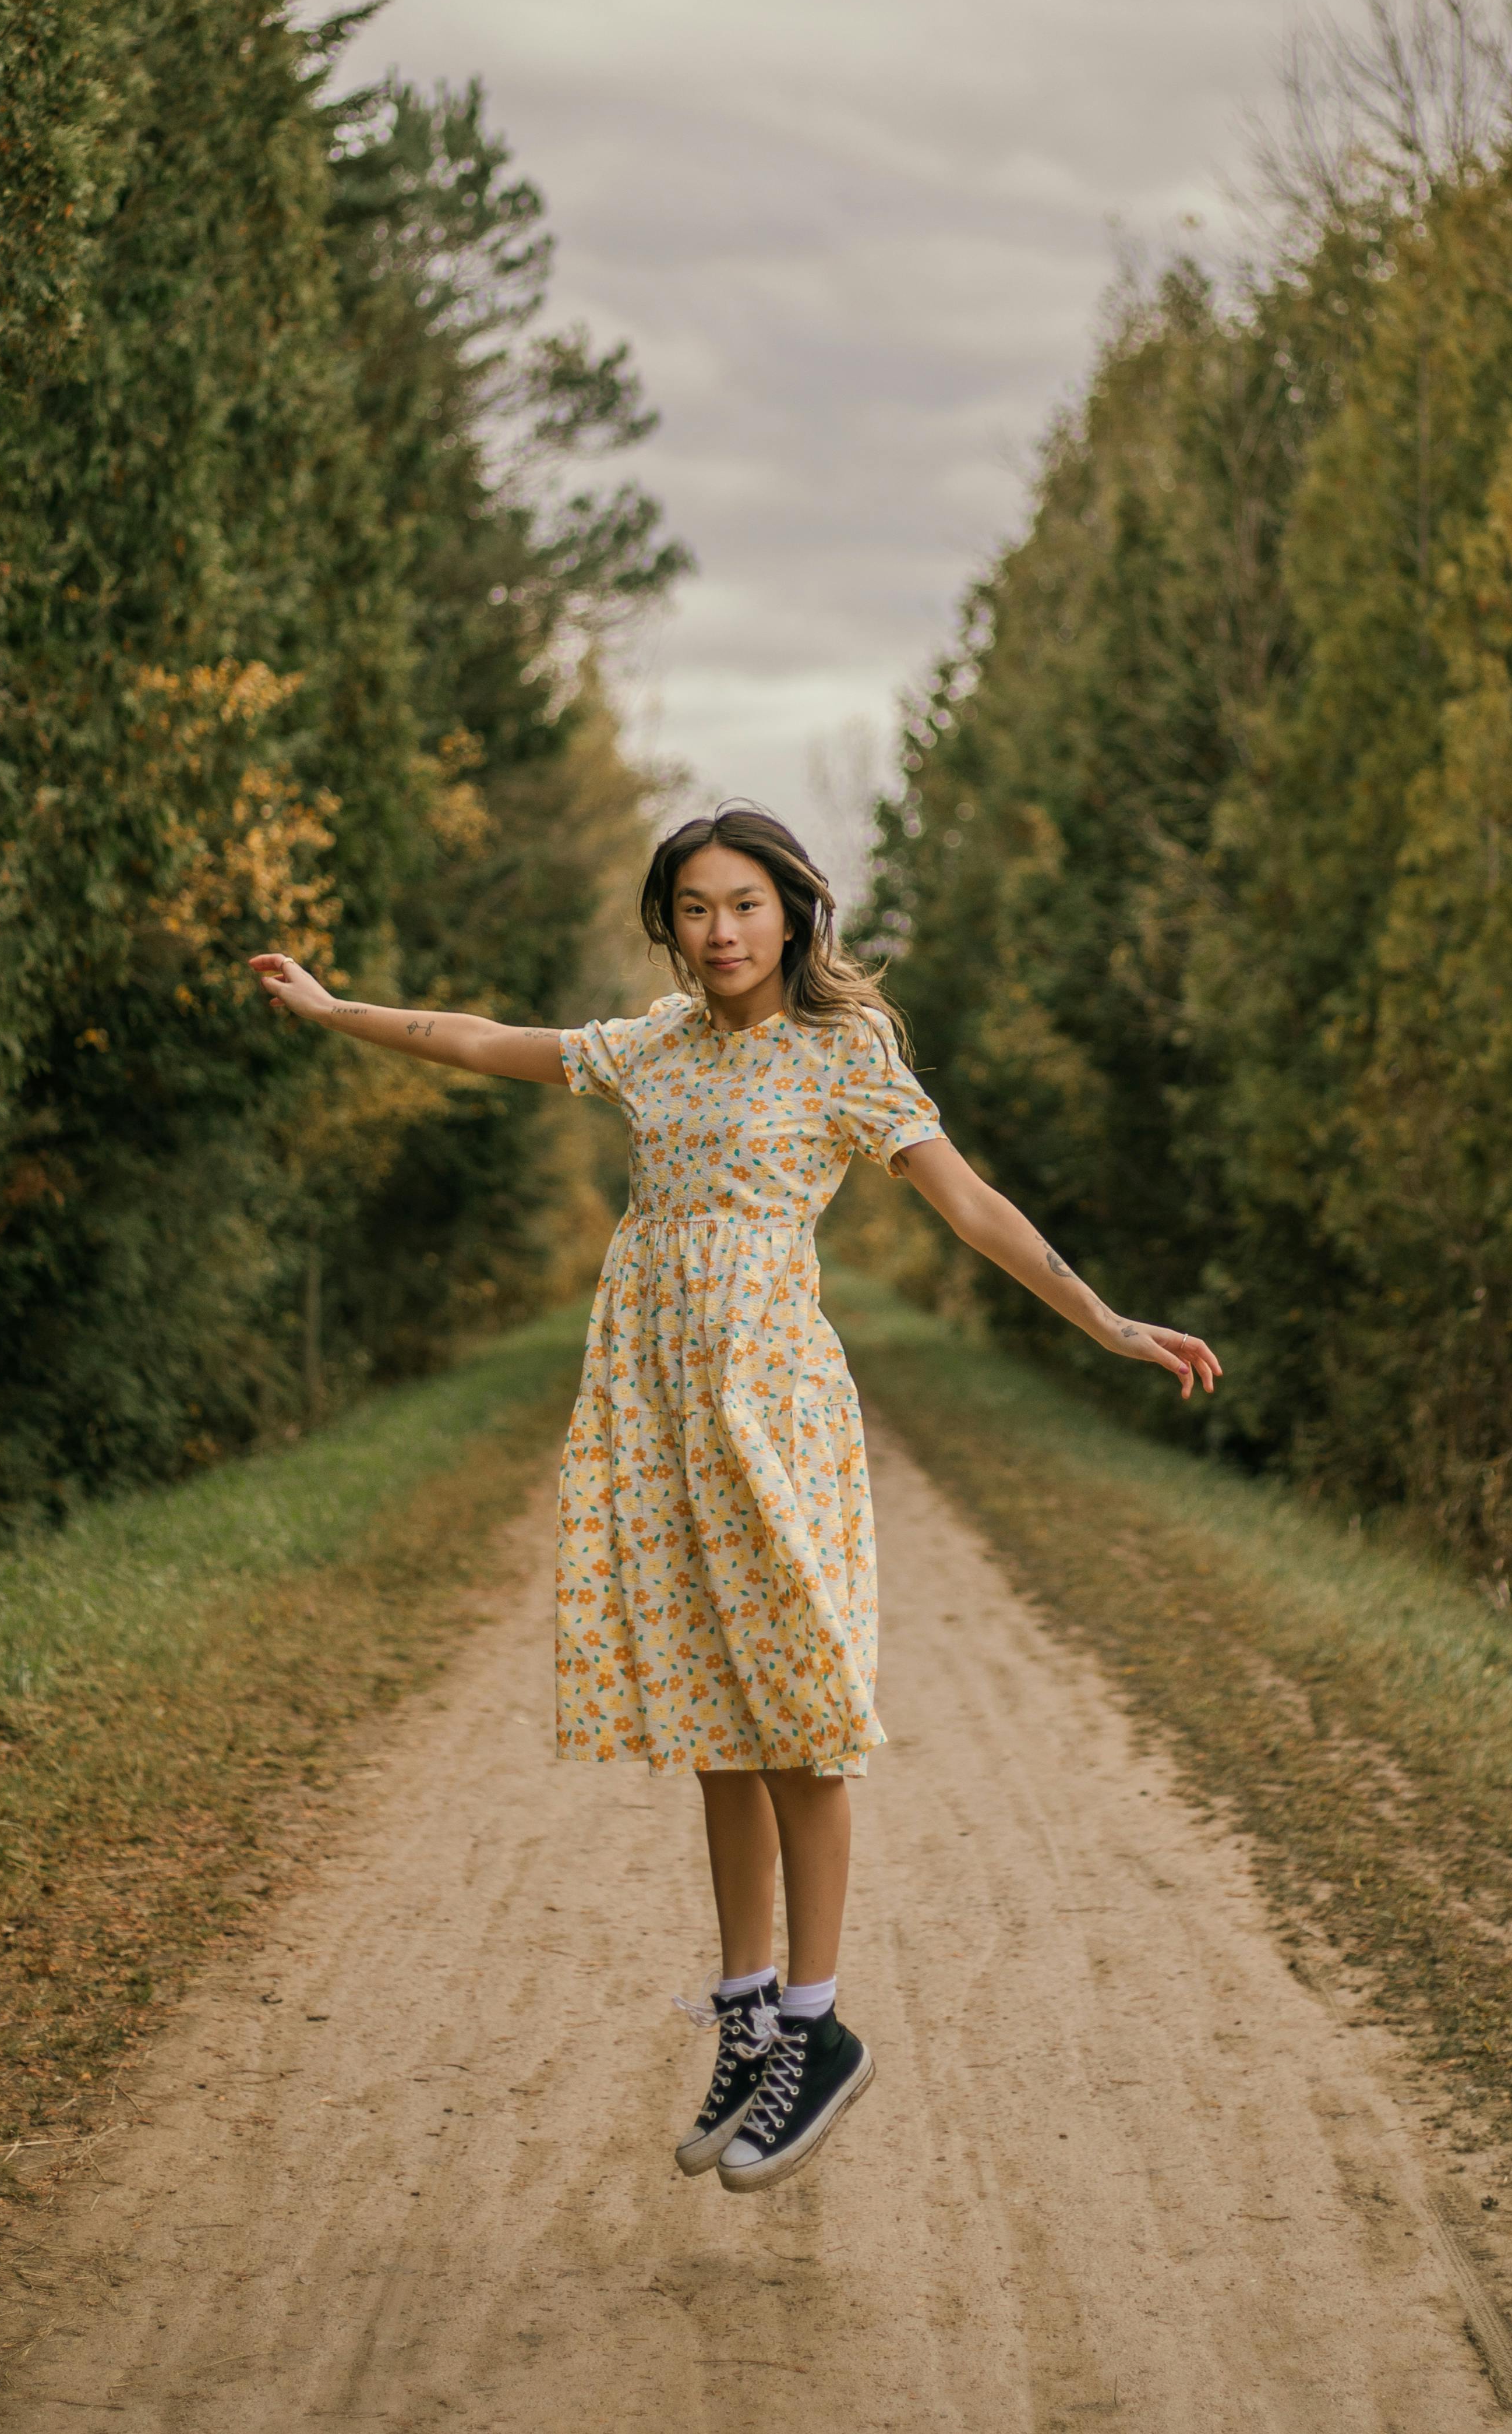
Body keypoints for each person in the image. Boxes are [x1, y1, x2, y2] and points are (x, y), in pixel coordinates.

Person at [249, 803, 1219, 2194]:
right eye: (695, 907)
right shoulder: (648, 1046)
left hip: (772, 1410)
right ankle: (746, 2009)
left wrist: (1105, 1319)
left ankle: (816, 2032)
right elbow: (469, 1037)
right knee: (715, 1710)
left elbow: (973, 1207)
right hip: (657, 1412)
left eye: (745, 904)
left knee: (797, 1711)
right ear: (670, 922)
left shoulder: (843, 1054)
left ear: (794, 912)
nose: (720, 932)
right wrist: (333, 1007)